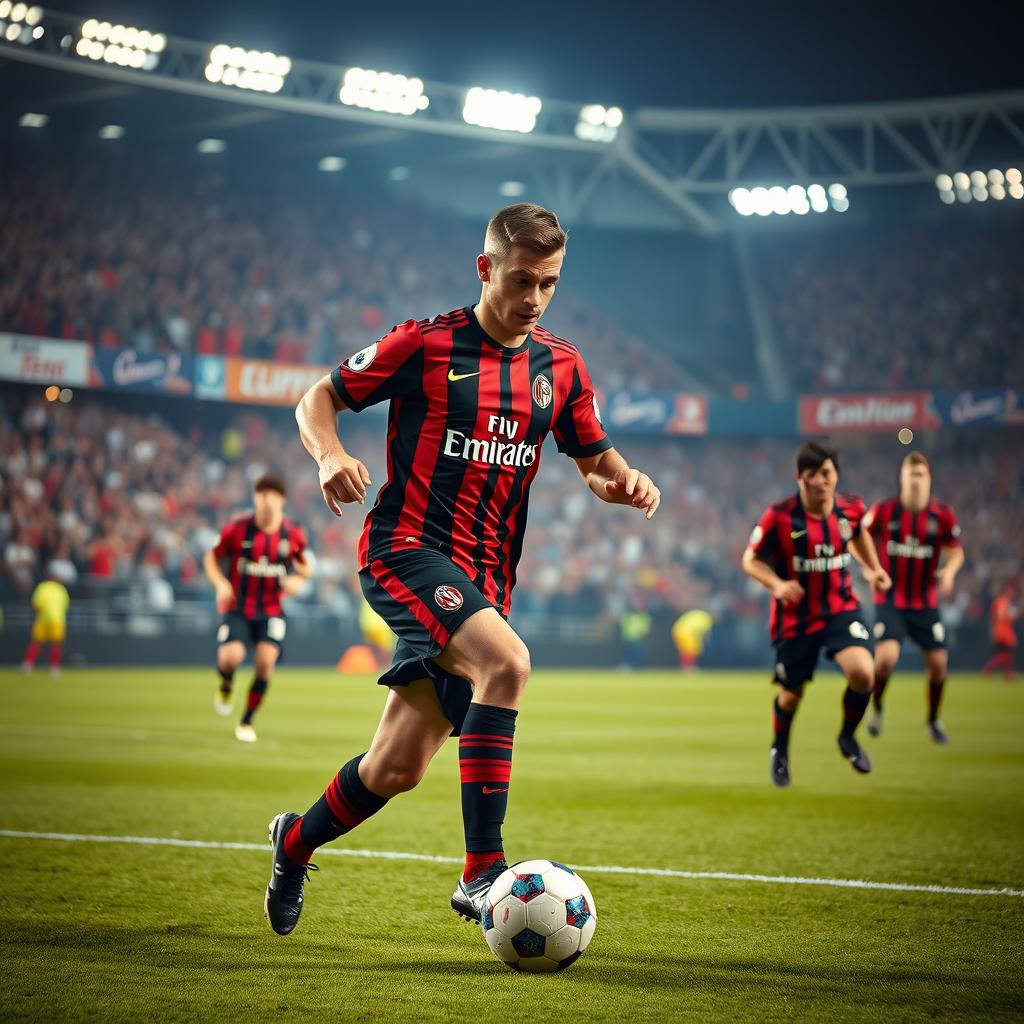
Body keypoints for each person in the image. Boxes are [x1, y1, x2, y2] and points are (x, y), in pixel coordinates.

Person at [266, 202, 661, 936]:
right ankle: (483, 871)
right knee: (507, 664)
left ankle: (293, 844)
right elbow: (317, 397)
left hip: (484, 582)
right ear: (485, 269)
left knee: (395, 768)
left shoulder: (561, 366)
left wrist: (622, 478)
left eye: (548, 283)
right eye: (520, 279)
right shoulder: (424, 344)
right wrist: (330, 454)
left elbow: (594, 459)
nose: (534, 298)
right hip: (405, 552)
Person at [741, 441, 892, 788]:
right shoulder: (778, 516)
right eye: (813, 474)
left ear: (836, 475)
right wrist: (777, 585)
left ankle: (847, 737)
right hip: (795, 617)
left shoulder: (850, 509)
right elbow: (750, 560)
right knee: (792, 695)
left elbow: (858, 534)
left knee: (863, 673)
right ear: (800, 478)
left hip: (840, 608)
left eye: (828, 473)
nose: (822, 481)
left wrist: (873, 568)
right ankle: (780, 749)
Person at [203, 473, 312, 743]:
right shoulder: (238, 528)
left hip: (272, 609)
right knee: (230, 658)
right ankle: (226, 684)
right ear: (254, 497)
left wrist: (297, 580)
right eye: (261, 494)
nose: (266, 500)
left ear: (282, 500)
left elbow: (305, 566)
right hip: (238, 607)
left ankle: (246, 721)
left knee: (265, 664)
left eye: (272, 494)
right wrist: (220, 583)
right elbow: (211, 557)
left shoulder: (293, 534)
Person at [864, 452, 964, 743]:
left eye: (921, 475)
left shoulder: (942, 515)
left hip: (925, 602)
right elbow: (862, 537)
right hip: (890, 600)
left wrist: (950, 572)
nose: (917, 480)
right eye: (912, 475)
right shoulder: (884, 511)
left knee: (938, 666)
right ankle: (878, 708)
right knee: (885, 660)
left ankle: (933, 720)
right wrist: (870, 568)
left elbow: (956, 550)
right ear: (902, 478)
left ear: (930, 479)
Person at [20, 573, 70, 678]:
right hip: (58, 620)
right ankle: (54, 668)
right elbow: (66, 605)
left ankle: (28, 665)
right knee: (56, 644)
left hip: (43, 619)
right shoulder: (61, 589)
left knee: (36, 642)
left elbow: (36, 604)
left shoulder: (42, 587)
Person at [982, 582, 1019, 681]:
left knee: (1006, 653)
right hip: (1004, 631)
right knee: (1007, 653)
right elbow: (1006, 617)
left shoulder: (997, 601)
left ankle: (1007, 673)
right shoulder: (1005, 602)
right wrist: (1017, 614)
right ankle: (990, 668)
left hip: (999, 631)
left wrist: (992, 631)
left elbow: (992, 617)